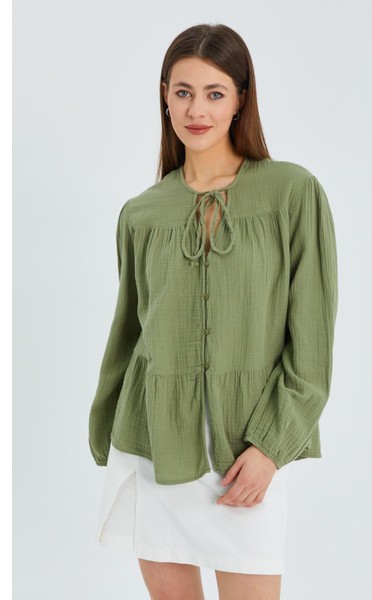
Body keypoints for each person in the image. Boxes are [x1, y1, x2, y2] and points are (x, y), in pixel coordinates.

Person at [88, 22, 338, 600]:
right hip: (153, 448)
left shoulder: (292, 193)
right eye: (183, 92)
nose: (196, 109)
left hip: (245, 452)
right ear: (165, 97)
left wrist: (271, 447)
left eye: (214, 92)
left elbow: (312, 343)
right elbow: (128, 332)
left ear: (240, 99)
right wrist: (105, 432)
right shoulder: (141, 213)